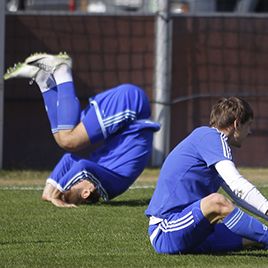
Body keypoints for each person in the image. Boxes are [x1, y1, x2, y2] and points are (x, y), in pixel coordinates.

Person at [4, 52, 160, 208]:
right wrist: (57, 195)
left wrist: (49, 191)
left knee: (62, 139)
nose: (72, 179)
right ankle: (62, 70)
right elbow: (82, 167)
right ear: (87, 192)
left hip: (126, 118)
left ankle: (43, 80)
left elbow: (69, 160)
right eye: (72, 184)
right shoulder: (108, 185)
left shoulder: (99, 179)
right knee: (69, 140)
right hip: (132, 105)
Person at [145, 97, 268, 254]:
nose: (250, 131)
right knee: (217, 203)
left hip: (194, 231)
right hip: (166, 229)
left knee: (252, 236)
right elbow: (238, 186)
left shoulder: (211, 142)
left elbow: (238, 196)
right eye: (249, 125)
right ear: (236, 124)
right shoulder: (210, 137)